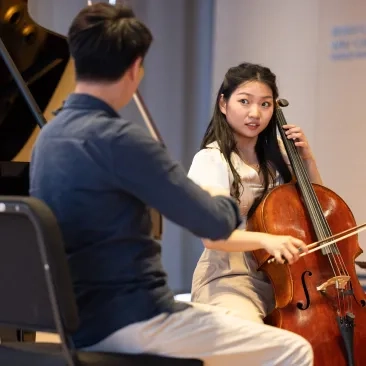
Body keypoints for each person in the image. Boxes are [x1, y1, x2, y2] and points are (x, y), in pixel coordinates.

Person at [29, 3, 313, 366]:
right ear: (135, 69)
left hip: (75, 320)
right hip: (133, 318)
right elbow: (214, 223)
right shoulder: (123, 140)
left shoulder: (49, 138)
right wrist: (215, 194)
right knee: (294, 349)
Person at [188, 62, 323, 324]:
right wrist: (266, 240)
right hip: (230, 280)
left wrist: (307, 160)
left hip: (287, 280)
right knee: (251, 336)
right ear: (223, 104)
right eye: (244, 101)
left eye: (265, 104)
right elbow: (212, 237)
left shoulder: (279, 162)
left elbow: (320, 210)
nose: (255, 113)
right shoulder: (212, 160)